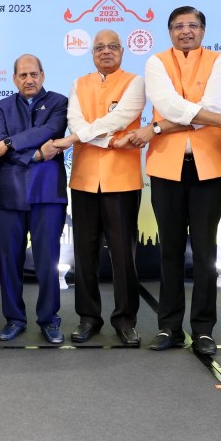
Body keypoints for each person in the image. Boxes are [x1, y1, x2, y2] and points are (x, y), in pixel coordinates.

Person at [141, 6, 221, 356]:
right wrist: (212, 119)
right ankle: (169, 327)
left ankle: (203, 329)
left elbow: (214, 106)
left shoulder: (220, 61)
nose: (185, 31)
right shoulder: (156, 62)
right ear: (169, 31)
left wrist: (159, 127)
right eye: (178, 26)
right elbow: (170, 105)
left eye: (192, 25)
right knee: (169, 250)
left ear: (203, 30)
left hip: (208, 167)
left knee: (205, 251)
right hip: (166, 167)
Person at [51, 31, 146, 346]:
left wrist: (81, 137)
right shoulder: (78, 84)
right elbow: (76, 124)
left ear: (122, 51)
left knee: (124, 255)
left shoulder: (135, 82)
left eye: (112, 47)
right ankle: (88, 317)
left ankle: (125, 320)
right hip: (84, 179)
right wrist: (111, 141)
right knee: (85, 253)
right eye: (99, 47)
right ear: (92, 53)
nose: (106, 52)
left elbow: (121, 118)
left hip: (123, 180)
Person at [0, 54, 68, 344]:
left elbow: (49, 131)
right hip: (10, 193)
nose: (28, 80)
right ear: (14, 79)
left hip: (48, 193)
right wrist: (35, 155)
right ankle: (14, 319)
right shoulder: (2, 107)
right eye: (22, 75)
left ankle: (49, 319)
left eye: (33, 74)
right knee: (9, 262)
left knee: (48, 262)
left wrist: (10, 144)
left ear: (42, 75)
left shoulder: (59, 102)